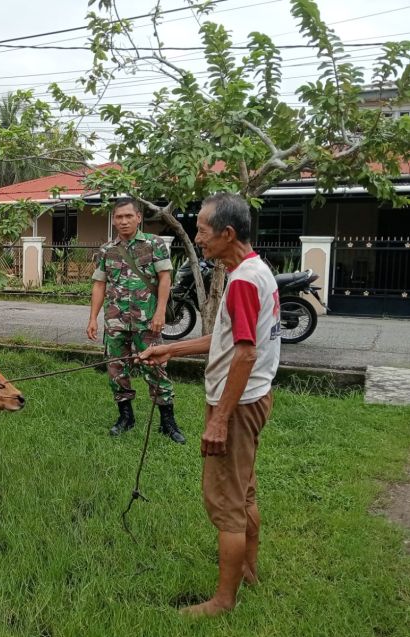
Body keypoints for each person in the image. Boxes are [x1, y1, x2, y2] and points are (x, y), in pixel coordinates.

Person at [141, 193, 281, 617]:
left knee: (227, 503)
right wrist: (171, 348)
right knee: (244, 491)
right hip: (255, 398)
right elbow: (227, 340)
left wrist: (219, 420)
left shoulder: (242, 282)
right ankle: (249, 571)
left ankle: (223, 601)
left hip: (236, 405)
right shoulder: (254, 270)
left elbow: (244, 355)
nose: (198, 237)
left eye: (202, 230)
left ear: (228, 233)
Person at [86, 197, 185, 444]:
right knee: (116, 370)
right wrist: (93, 318)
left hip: (147, 320)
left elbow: (165, 278)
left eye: (129, 216)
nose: (124, 221)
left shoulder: (154, 244)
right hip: (116, 321)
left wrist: (160, 312)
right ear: (114, 220)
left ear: (138, 218)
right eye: (119, 217)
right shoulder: (107, 250)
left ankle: (167, 422)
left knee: (156, 368)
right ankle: (126, 417)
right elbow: (99, 284)